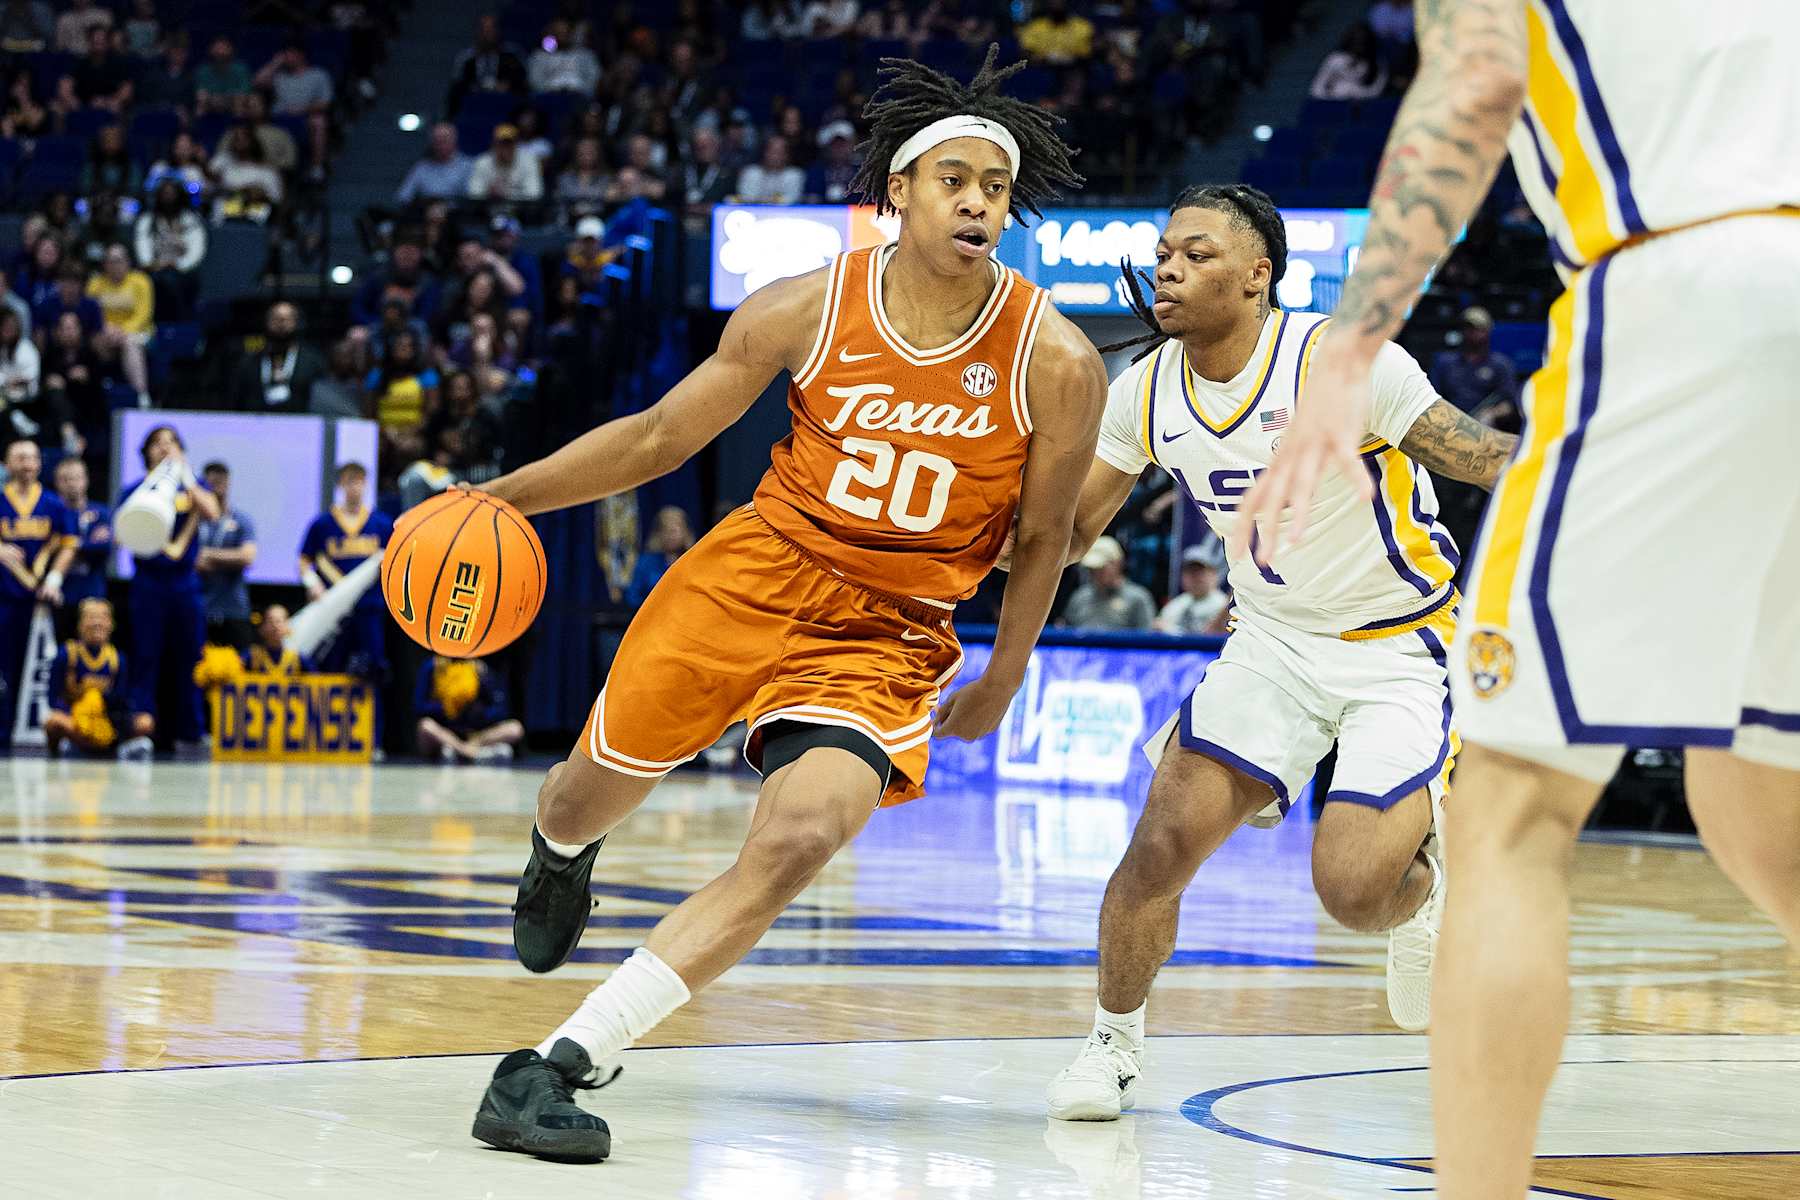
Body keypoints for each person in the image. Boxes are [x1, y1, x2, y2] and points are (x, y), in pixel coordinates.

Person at [465, 46, 1099, 1162]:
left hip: (889, 631)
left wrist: (1004, 672)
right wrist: (502, 497)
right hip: (750, 576)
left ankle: (555, 1066)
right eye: (955, 179)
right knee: (582, 795)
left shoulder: (1054, 358)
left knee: (802, 836)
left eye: (995, 189)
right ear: (898, 192)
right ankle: (559, 852)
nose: (978, 203)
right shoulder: (805, 308)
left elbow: (1046, 536)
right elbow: (661, 439)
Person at [1235, 6, 1800, 1197]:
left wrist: (1349, 350)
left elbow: (1477, 78)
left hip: (1694, 279)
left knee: (1506, 810)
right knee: (1760, 803)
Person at [1044, 184, 1519, 1121]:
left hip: (1400, 646)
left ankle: (1420, 897)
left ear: (1258, 276)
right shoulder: (1143, 387)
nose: (1169, 268)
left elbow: (1479, 457)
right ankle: (1112, 1047)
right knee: (1157, 848)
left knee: (1350, 891)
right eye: (1166, 251)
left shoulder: (1341, 364)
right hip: (1270, 644)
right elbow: (1066, 535)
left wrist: (1600, 456)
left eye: (1198, 253)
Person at [118, 425, 219, 750]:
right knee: (146, 655)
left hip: (185, 583)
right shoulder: (135, 490)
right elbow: (127, 533)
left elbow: (212, 512)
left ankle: (191, 730)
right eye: (157, 443)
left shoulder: (193, 486)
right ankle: (142, 726)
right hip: (149, 581)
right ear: (146, 451)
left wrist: (187, 476)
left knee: (191, 654)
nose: (164, 448)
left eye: (171, 442)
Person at [0, 438, 75, 745]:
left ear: (40, 464)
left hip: (43, 601)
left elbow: (70, 543)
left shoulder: (54, 504)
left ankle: (43, 732)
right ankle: (4, 732)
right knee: (5, 668)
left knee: (43, 668)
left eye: (31, 457)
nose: (27, 463)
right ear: (7, 464)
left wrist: (55, 578)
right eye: (19, 458)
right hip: (5, 597)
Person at [298, 462, 392, 679]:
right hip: (334, 608)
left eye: (359, 481)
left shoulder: (381, 524)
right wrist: (312, 583)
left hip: (369, 605)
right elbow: (303, 560)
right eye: (349, 482)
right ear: (340, 485)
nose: (355, 488)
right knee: (332, 665)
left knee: (373, 666)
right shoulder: (322, 524)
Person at [43, 597, 152, 758]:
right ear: (80, 623)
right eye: (91, 617)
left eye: (103, 617)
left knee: (146, 722)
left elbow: (123, 700)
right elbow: (53, 698)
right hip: (77, 720)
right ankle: (86, 747)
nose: (97, 623)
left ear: (111, 624)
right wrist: (81, 714)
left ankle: (98, 746)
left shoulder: (116, 658)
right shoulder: (67, 654)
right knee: (54, 722)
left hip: (106, 722)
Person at [194, 461, 258, 653]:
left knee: (237, 673)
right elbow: (190, 562)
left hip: (234, 610)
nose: (217, 485)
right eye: (212, 481)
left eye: (221, 480)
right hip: (200, 608)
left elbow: (247, 557)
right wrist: (229, 559)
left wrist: (208, 555)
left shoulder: (241, 520)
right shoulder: (194, 521)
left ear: (229, 483)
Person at [415, 654, 524, 764]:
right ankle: (468, 752)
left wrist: (480, 712)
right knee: (425, 726)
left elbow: (499, 708)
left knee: (515, 728)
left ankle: (462, 751)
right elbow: (419, 706)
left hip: (476, 734)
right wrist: (447, 708)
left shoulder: (480, 668)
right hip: (447, 731)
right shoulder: (433, 666)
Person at [83, 243, 152, 407]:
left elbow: (143, 315)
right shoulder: (95, 283)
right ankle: (97, 394)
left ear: (128, 262)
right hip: (106, 332)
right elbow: (90, 312)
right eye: (110, 261)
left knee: (130, 344)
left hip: (137, 332)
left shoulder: (141, 281)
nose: (114, 265)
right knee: (94, 342)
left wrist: (122, 332)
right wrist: (106, 329)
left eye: (118, 261)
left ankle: (142, 396)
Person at [230, 301, 325, 413]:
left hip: (301, 423)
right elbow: (237, 398)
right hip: (255, 423)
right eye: (276, 318)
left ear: (297, 323)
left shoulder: (313, 361)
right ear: (266, 322)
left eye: (287, 319)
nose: (281, 323)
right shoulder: (249, 361)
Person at [134, 178, 207, 321]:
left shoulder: (191, 220)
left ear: (179, 196)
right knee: (158, 281)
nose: (168, 198)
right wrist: (155, 264)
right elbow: (143, 250)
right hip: (155, 271)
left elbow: (196, 252)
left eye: (172, 194)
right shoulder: (147, 220)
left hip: (183, 272)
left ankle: (180, 325)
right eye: (165, 194)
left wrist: (177, 264)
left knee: (177, 282)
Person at [1429, 305, 1519, 416]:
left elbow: (1509, 402)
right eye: (1467, 327)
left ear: (1487, 331)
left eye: (1476, 328)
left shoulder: (1500, 364)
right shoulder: (1445, 362)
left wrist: (1492, 414)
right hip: (1450, 421)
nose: (1471, 332)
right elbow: (1432, 398)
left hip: (1484, 426)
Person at [51, 455, 108, 615]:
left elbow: (106, 547)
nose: (72, 484)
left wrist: (73, 544)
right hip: (58, 595)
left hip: (92, 594)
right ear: (56, 482)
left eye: (77, 477)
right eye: (66, 479)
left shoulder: (101, 512)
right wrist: (88, 543)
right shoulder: (51, 513)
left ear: (86, 479)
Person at [1060, 534, 1154, 630]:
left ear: (1118, 563)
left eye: (1101, 567)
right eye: (1092, 568)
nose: (1096, 573)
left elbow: (1146, 638)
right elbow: (1065, 631)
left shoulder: (1138, 598)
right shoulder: (1079, 597)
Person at [448, 12, 527, 116]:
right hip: (474, 108)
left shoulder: (512, 56)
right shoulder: (466, 58)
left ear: (499, 31)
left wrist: (508, 86)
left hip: (506, 108)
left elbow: (523, 82)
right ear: (477, 32)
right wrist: (473, 88)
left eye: (491, 29)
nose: (488, 33)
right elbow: (457, 87)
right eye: (484, 29)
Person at [625, 505, 695, 608]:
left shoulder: (693, 561)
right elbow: (632, 597)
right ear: (658, 534)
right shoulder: (645, 563)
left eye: (676, 529)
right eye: (666, 529)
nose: (671, 535)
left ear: (686, 532)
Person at [1154, 545, 1228, 635]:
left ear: (1213, 574)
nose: (1195, 577)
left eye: (1200, 572)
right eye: (1190, 572)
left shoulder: (1225, 605)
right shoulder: (1175, 605)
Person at [396, 123, 473, 206]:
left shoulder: (468, 166)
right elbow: (403, 196)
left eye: (444, 140)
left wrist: (446, 206)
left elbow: (471, 198)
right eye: (436, 141)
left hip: (456, 213)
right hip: (424, 211)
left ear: (454, 141)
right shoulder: (422, 167)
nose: (440, 145)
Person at [467, 124, 544, 206]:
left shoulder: (529, 161)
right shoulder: (482, 162)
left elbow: (534, 194)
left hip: (520, 211)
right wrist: (488, 192)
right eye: (501, 144)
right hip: (487, 210)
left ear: (516, 145)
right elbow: (473, 193)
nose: (505, 149)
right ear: (493, 145)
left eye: (509, 144)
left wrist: (507, 194)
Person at [1309, 23, 1387, 101]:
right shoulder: (1335, 59)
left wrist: (1350, 91)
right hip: (1327, 102)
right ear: (1350, 41)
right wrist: (1331, 96)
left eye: (1364, 42)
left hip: (1354, 103)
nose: (1360, 46)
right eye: (1357, 41)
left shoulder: (1371, 64)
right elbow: (1316, 89)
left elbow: (1373, 92)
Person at [1018, 0, 1095, 66]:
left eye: (1060, 1)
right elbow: (1026, 52)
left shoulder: (1082, 26)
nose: (1057, 3)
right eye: (1053, 1)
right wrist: (1043, 59)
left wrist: (1071, 58)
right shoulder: (1034, 27)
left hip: (1074, 69)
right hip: (1043, 69)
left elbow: (1089, 52)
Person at [734, 134, 805, 205]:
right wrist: (773, 200)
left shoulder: (795, 175)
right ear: (764, 152)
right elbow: (746, 198)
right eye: (771, 151)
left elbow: (790, 200)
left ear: (787, 155)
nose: (774, 156)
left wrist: (762, 200)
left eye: (779, 152)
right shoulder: (751, 172)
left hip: (784, 215)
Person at [242, 603, 309, 674]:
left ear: (288, 627)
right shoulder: (252, 655)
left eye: (279, 621)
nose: (275, 626)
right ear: (262, 627)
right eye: (270, 621)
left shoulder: (296, 658)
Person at [194, 35, 253, 116]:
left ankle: (238, 126)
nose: (220, 52)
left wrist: (225, 99)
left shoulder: (240, 69)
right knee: (201, 103)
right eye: (217, 48)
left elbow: (244, 94)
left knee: (239, 102)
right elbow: (200, 94)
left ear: (231, 50)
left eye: (223, 48)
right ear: (211, 50)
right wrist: (214, 99)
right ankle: (199, 127)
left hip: (233, 104)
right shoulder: (203, 70)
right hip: (211, 104)